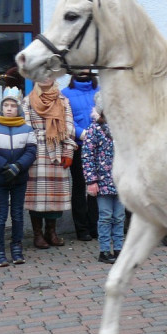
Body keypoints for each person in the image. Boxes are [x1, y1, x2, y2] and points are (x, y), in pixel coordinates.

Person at [0, 87, 37, 267]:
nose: (9, 108)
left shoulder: (27, 129)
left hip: (19, 178)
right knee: (1, 214)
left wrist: (18, 166)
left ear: (18, 108)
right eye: (6, 105)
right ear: (1, 107)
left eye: (13, 105)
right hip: (0, 179)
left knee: (18, 214)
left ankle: (16, 247)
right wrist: (5, 167)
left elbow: (31, 151)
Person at [22, 78, 76, 247]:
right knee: (36, 196)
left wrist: (68, 152)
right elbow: (25, 127)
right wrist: (29, 152)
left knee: (55, 194)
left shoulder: (62, 100)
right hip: (36, 151)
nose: (45, 77)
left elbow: (69, 127)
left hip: (57, 150)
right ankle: (37, 234)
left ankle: (51, 232)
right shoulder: (27, 100)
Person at [82, 94, 124, 264]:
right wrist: (91, 180)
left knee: (120, 216)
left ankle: (120, 249)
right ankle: (105, 250)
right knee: (106, 215)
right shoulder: (94, 130)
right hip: (103, 181)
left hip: (121, 180)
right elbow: (87, 156)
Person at [62, 71, 99, 241]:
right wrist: (82, 134)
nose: (83, 70)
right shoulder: (65, 94)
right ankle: (81, 228)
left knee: (98, 187)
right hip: (79, 145)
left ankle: (96, 225)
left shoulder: (100, 90)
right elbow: (66, 120)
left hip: (100, 146)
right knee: (79, 186)